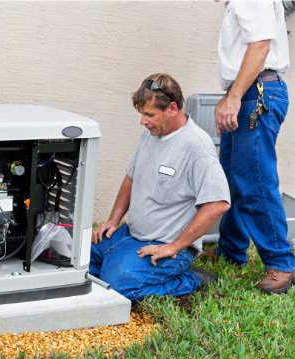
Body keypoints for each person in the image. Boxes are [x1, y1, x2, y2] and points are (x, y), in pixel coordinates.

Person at [91, 74, 231, 301]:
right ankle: (124, 262)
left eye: (149, 115)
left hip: (166, 245)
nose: (143, 121)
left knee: (117, 287)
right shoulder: (152, 134)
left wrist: (174, 246)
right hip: (130, 235)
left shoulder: (196, 146)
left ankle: (191, 279)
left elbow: (218, 204)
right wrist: (113, 220)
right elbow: (131, 177)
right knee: (78, 263)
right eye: (142, 114)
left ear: (173, 108)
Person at [201, 0, 294, 294]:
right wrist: (232, 96)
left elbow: (260, 47)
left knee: (253, 180)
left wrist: (233, 97)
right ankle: (231, 250)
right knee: (231, 178)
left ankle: (281, 262)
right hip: (247, 93)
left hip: (256, 94)